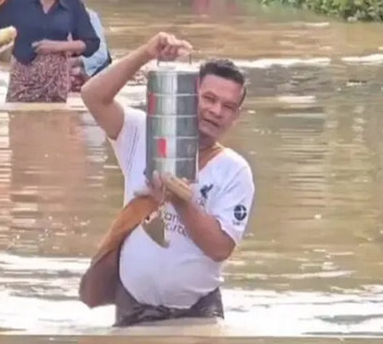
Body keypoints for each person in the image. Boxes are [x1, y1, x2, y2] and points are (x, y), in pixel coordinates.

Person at [78, 34, 255, 327]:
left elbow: (220, 248)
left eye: (228, 106)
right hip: (132, 307)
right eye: (209, 99)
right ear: (189, 95)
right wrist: (146, 53)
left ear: (235, 116)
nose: (216, 111)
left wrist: (179, 198)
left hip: (198, 314)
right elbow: (92, 96)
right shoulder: (144, 133)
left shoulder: (235, 171)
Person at [67, 0, 111, 89]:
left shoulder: (91, 16)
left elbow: (101, 55)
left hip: (84, 70)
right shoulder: (50, 16)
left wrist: (74, 62)